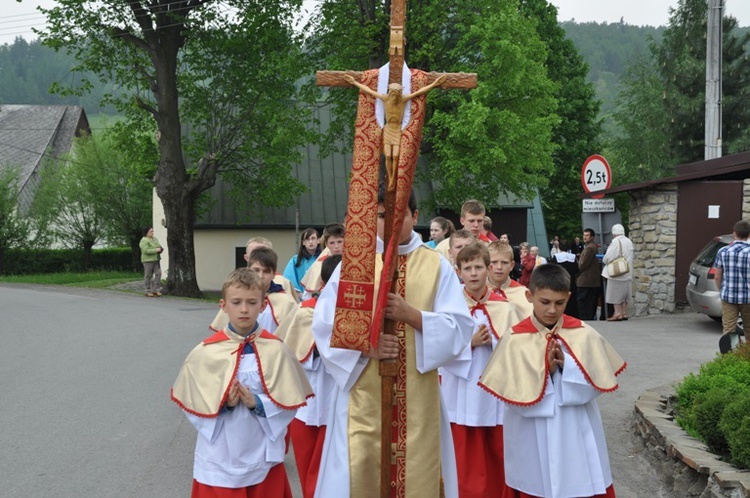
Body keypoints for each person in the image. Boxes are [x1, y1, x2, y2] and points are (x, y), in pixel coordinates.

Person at [311, 186, 473, 498]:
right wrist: (365, 348)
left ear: (416, 215)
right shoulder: (354, 265)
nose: (390, 222)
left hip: (418, 395)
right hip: (362, 392)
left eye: (400, 214)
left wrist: (412, 315)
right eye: (382, 215)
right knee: (356, 473)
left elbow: (459, 328)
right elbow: (324, 324)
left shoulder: (436, 265)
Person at [479, 264, 626, 498]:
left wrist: (568, 367)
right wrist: (543, 370)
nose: (551, 310)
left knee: (579, 476)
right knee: (534, 480)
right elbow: (510, 393)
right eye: (544, 302)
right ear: (530, 296)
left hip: (575, 423)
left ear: (568, 297)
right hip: (530, 430)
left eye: (559, 303)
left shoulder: (582, 332)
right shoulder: (515, 338)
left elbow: (595, 385)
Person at [171, 268, 313, 497]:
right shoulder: (205, 353)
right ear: (223, 305)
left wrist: (257, 402)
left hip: (262, 453)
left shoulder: (277, 350)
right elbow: (194, 406)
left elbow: (289, 404)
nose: (244, 309)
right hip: (219, 455)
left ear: (263, 305)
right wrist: (223, 405)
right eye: (236, 302)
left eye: (251, 302)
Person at [440, 244, 520, 498]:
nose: (473, 273)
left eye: (478, 267)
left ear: (488, 269)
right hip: (458, 390)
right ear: (458, 272)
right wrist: (468, 344)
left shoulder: (505, 308)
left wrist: (494, 340)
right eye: (467, 268)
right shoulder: (449, 308)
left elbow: (516, 350)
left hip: (492, 394)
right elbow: (436, 349)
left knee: (496, 450)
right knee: (462, 453)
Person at [275, 255, 341, 498]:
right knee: (307, 470)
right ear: (324, 284)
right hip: (308, 404)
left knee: (334, 472)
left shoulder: (356, 315)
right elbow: (290, 354)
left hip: (339, 402)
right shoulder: (305, 312)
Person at [344, 73, 447, 190]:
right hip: (388, 129)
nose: (394, 97)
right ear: (390, 92)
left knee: (396, 155)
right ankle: (391, 177)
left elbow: (419, 92)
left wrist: (434, 84)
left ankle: (393, 178)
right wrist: (354, 82)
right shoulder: (385, 98)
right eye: (392, 94)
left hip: (397, 129)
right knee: (388, 155)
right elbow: (368, 90)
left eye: (396, 94)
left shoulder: (403, 100)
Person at [211, 247, 299, 334]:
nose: (260, 276)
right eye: (256, 270)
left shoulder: (286, 301)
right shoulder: (236, 298)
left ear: (273, 274)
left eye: (266, 271)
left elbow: (293, 334)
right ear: (248, 270)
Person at [714, 219, 750, 339]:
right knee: (748, 328)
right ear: (749, 235)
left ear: (734, 233)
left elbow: (717, 276)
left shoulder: (723, 251)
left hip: (728, 296)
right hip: (748, 297)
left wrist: (721, 290)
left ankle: (729, 355)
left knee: (729, 329)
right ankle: (747, 354)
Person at [245, 237, 300, 302]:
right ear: (246, 257)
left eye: (264, 253)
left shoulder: (283, 283)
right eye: (255, 253)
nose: (260, 276)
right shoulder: (237, 285)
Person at [487, 241, 533, 317]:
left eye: (504, 263)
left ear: (512, 265)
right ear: (486, 264)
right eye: (494, 262)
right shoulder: (477, 292)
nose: (499, 267)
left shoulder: (523, 293)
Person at [300, 223, 345, 298]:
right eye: (332, 243)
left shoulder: (353, 262)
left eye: (340, 242)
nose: (336, 246)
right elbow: (307, 296)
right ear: (326, 244)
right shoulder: (320, 265)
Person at [601, 224, 634, 321]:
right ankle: (624, 313)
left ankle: (617, 313)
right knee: (624, 293)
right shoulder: (628, 241)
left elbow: (608, 257)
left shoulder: (616, 242)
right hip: (627, 271)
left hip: (617, 272)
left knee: (615, 293)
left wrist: (604, 260)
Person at [283, 228, 321, 294]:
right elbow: (288, 279)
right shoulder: (295, 260)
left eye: (313, 238)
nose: (310, 242)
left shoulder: (323, 258)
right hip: (301, 298)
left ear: (318, 240)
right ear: (303, 242)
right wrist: (300, 295)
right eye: (307, 239)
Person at [577, 228, 601, 321]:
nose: (585, 237)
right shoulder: (591, 247)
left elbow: (583, 264)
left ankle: (586, 319)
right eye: (584, 235)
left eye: (587, 235)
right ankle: (589, 317)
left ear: (592, 237)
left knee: (584, 301)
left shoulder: (589, 248)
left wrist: (576, 273)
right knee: (590, 302)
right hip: (591, 280)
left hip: (586, 280)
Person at [552, 240, 580, 318]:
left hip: (560, 281)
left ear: (559, 247)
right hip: (571, 281)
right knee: (572, 299)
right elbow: (577, 270)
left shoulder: (556, 257)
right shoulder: (573, 257)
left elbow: (553, 269)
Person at [139, 227, 163, 297]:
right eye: (151, 231)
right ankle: (148, 290)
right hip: (148, 260)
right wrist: (156, 250)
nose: (152, 233)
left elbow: (158, 246)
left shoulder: (155, 239)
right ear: (146, 232)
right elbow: (145, 250)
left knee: (158, 273)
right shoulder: (144, 240)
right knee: (148, 275)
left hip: (156, 259)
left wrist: (160, 249)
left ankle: (156, 289)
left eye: (153, 231)